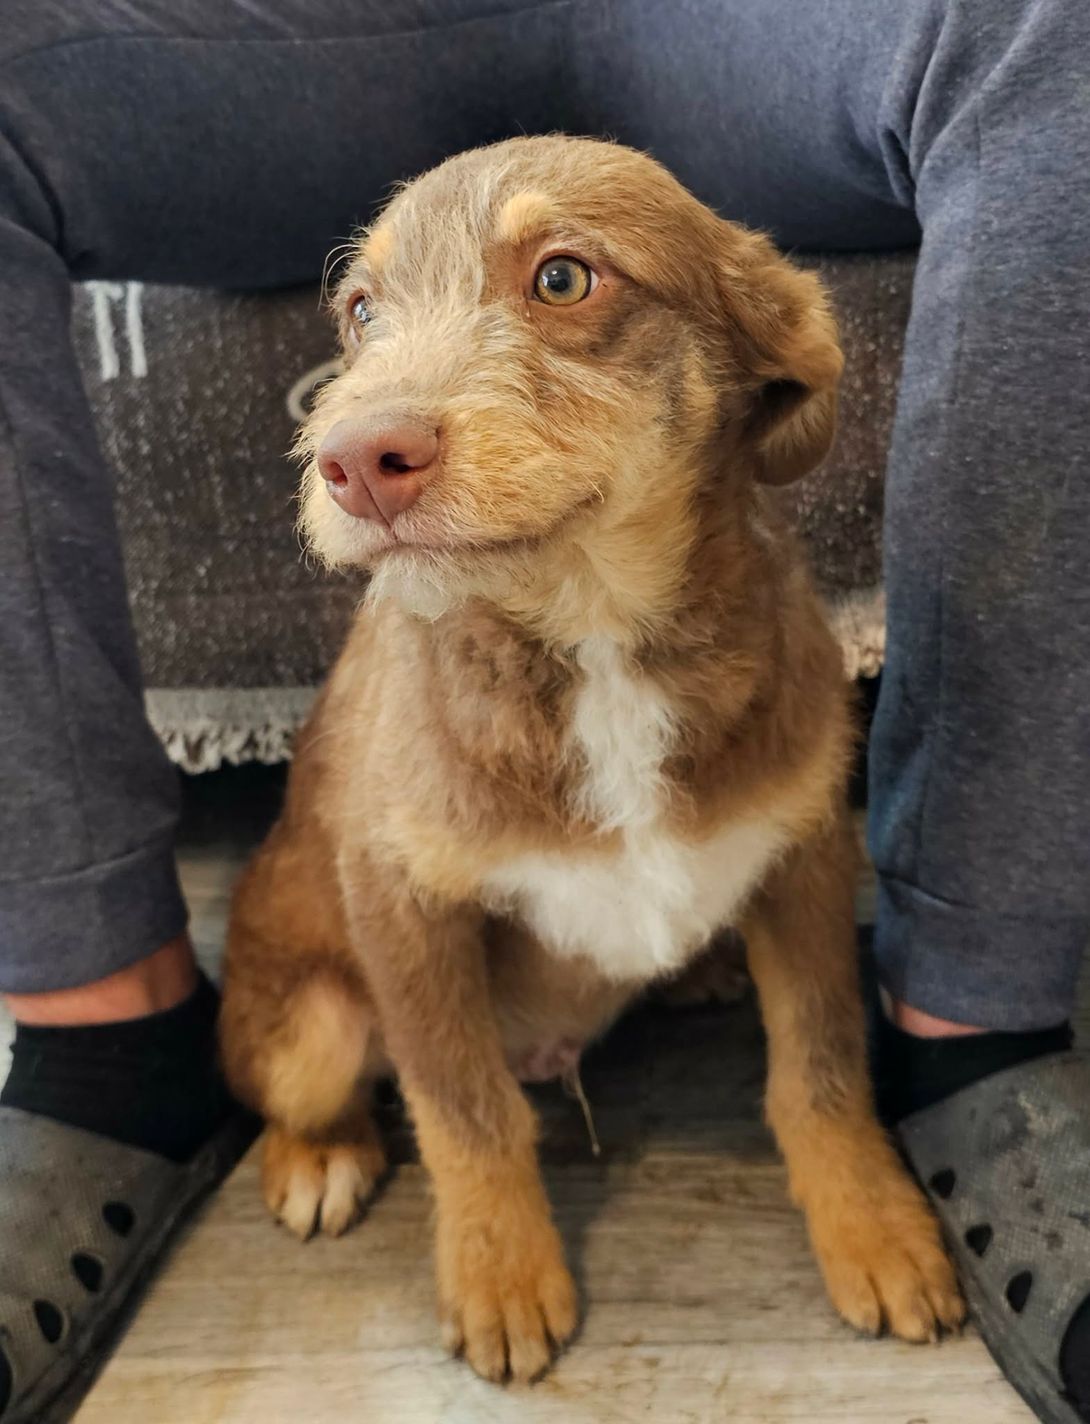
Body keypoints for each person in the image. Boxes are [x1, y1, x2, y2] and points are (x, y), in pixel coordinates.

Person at [1, 2, 1086, 1421]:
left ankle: (960, 1039)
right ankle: (107, 1044)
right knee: (309, 1070)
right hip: (353, 29)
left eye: (561, 280)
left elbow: (806, 856)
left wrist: (828, 1124)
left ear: (772, 363)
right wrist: (478, 1175)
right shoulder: (421, 725)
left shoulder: (783, 648)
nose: (364, 429)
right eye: (367, 314)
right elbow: (388, 891)